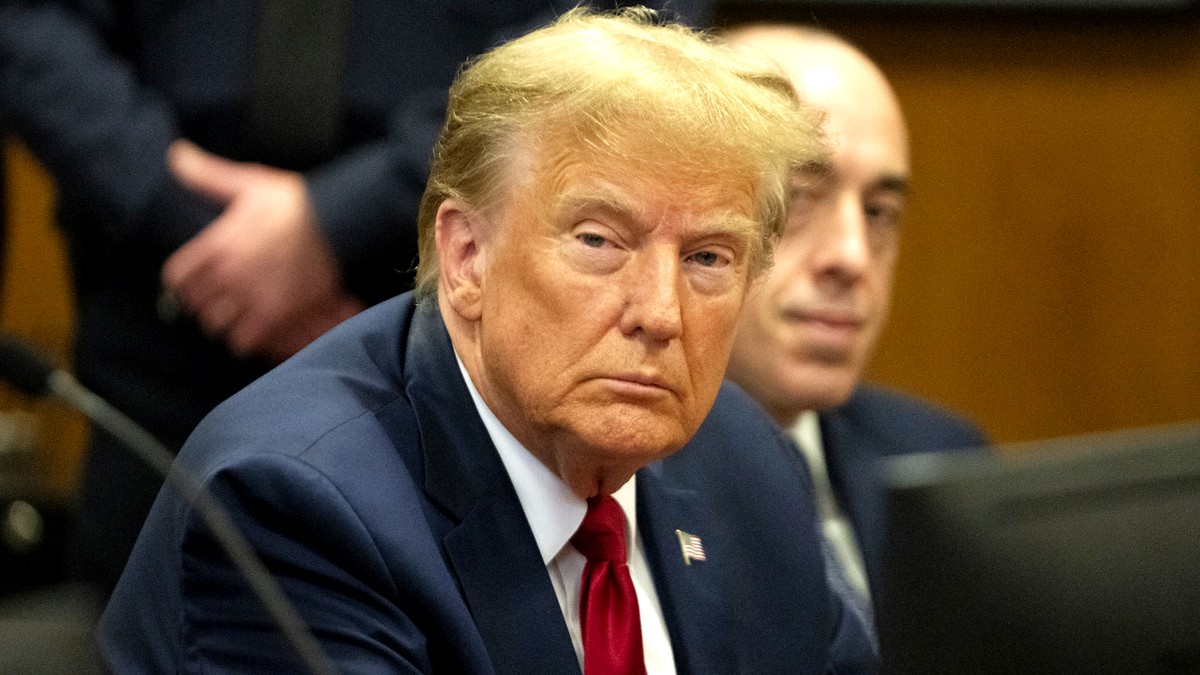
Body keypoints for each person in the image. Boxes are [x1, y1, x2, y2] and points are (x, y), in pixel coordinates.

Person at [98, 8, 877, 673]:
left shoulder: (747, 465)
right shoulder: (295, 508)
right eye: (600, 241)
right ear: (467, 256)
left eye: (709, 258)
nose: (661, 313)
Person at [0, 0, 708, 598]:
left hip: (462, 310)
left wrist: (346, 216)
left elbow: (631, 24)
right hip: (163, 311)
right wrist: (173, 206)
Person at [721, 24, 988, 607]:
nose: (851, 256)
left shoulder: (942, 467)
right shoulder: (615, 494)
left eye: (879, 211)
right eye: (795, 198)